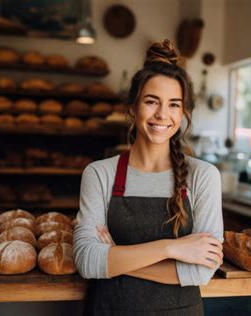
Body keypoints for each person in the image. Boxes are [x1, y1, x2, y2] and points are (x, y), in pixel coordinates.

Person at [73, 39, 224, 315]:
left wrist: (118, 256)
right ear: (132, 108)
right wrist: (172, 248)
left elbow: (201, 271)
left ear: (183, 113)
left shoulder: (203, 176)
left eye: (174, 105)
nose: (162, 115)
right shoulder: (100, 173)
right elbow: (87, 260)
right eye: (151, 101)